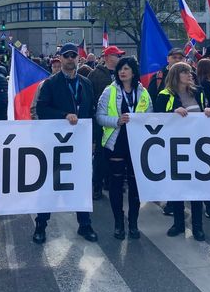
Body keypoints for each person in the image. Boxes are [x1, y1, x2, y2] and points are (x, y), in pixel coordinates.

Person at [33, 43, 98, 244]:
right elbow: (42, 110)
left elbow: (91, 113)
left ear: (79, 58)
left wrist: (93, 139)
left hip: (80, 143)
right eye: (67, 56)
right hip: (56, 144)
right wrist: (64, 115)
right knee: (50, 185)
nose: (71, 59)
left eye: (74, 56)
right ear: (60, 58)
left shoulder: (86, 83)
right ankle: (40, 225)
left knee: (82, 184)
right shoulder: (50, 84)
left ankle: (85, 225)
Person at [155, 62, 210, 240]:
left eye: (190, 71)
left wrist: (209, 110)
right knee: (178, 188)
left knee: (196, 188)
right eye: (185, 72)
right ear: (175, 75)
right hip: (175, 146)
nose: (190, 74)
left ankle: (197, 227)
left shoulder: (199, 92)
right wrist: (172, 112)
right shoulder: (165, 95)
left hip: (197, 147)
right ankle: (179, 224)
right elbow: (156, 118)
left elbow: (206, 109)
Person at [96, 57, 152, 240]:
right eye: (120, 68)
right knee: (116, 183)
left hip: (137, 143)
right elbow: (99, 117)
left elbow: (150, 116)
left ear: (133, 72)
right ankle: (119, 222)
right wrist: (117, 121)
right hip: (116, 142)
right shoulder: (109, 91)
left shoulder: (143, 92)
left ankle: (133, 223)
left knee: (136, 185)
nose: (122, 72)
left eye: (126, 68)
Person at [88, 45, 125, 200]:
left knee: (116, 153)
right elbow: (89, 97)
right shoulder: (95, 75)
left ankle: (112, 182)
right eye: (117, 55)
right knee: (100, 156)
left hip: (119, 122)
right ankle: (97, 186)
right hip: (101, 122)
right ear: (108, 57)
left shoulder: (122, 74)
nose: (119, 58)